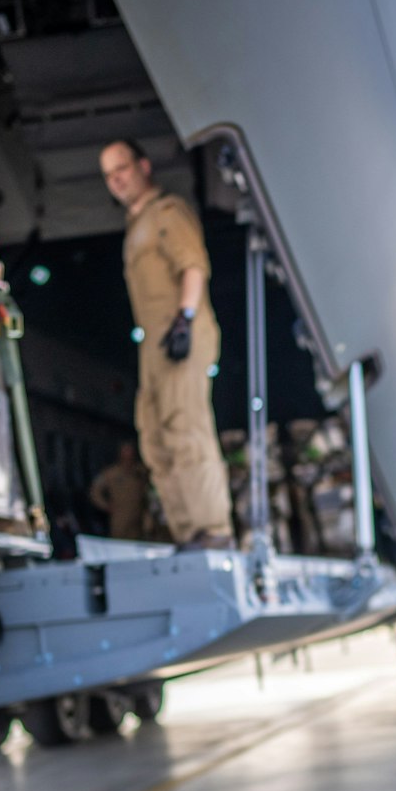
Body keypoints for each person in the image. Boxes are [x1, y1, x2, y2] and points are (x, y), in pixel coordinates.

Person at [99, 139, 234, 549]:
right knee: (154, 437)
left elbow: (193, 265)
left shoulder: (167, 212)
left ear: (144, 165)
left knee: (186, 427)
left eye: (122, 167)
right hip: (154, 346)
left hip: (181, 332)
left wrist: (185, 320)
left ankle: (214, 530)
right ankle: (186, 531)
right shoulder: (134, 225)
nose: (116, 179)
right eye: (108, 174)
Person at [88, 440, 149, 540]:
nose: (128, 455)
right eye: (125, 452)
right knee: (120, 541)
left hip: (139, 514)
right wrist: (106, 505)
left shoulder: (140, 471)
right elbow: (95, 491)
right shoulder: (110, 473)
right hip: (120, 515)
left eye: (130, 452)